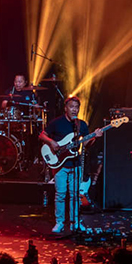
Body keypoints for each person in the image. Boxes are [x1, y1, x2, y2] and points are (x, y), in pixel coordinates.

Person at [38, 95, 90, 234]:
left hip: (75, 162)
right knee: (60, 194)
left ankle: (75, 222)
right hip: (60, 164)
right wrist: (51, 142)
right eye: (72, 107)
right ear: (66, 108)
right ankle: (59, 222)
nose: (74, 110)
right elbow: (42, 135)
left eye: (76, 107)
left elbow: (85, 144)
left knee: (74, 195)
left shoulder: (81, 125)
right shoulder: (57, 122)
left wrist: (94, 137)